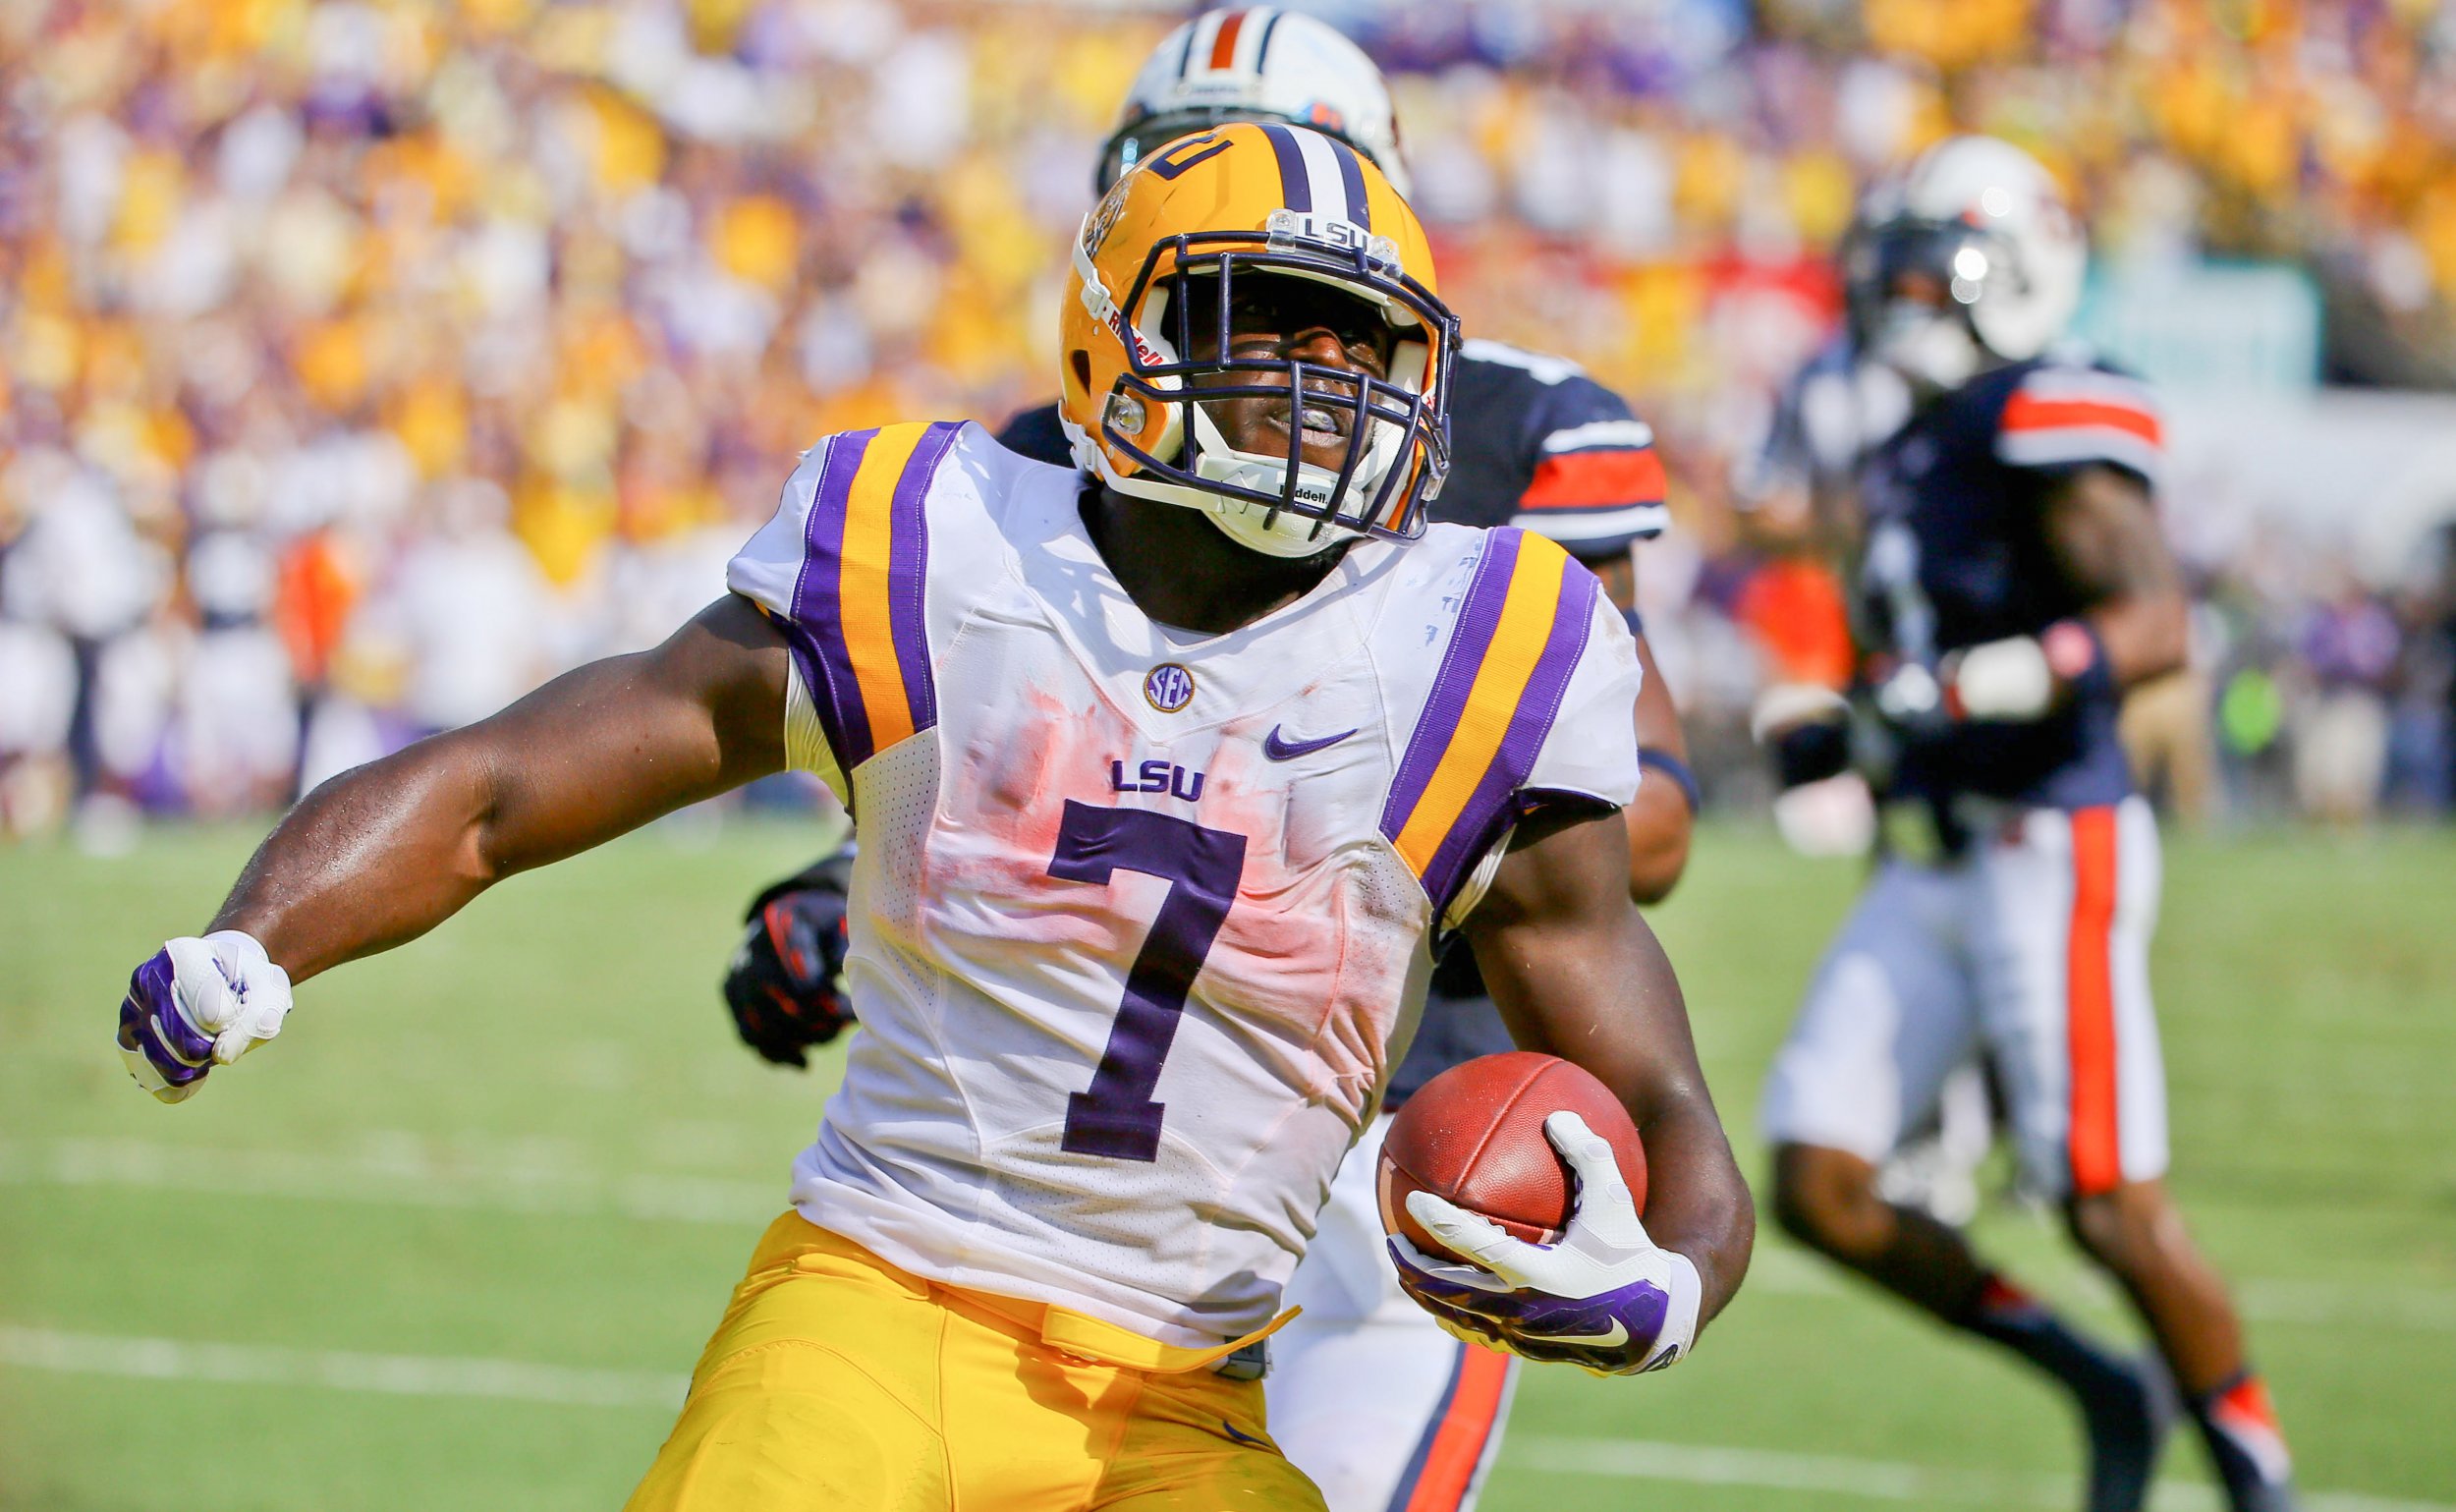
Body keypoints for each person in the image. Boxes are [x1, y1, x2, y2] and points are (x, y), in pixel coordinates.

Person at [118, 124, 1753, 1512]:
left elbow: (1658, 1089)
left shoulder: (1479, 646)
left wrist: (1666, 1276)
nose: (1328, 384)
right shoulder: (945, 549)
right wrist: (254, 944)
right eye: (1276, 322)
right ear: (1132, 327)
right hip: (877, 1302)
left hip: (1194, 1388)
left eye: (1365, 344)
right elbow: (495, 793)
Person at [719, 14, 1702, 1509]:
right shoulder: (1071, 438)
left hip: (1402, 1137)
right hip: (1054, 1179)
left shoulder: (1518, 432)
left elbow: (1655, 818)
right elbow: (1012, 761)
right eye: (1177, 168)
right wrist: (827, 877)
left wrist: (1382, 833)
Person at [1754, 137, 2300, 1512]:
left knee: (2108, 1203)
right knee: (1820, 1182)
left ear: (2012, 263)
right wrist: (1852, 723)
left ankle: (2259, 1479)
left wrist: (1980, 681)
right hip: (1931, 848)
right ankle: (2099, 1384)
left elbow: (2155, 623)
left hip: (2051, 845)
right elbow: (1924, 664)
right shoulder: (1909, 438)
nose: (1899, 288)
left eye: (1929, 262)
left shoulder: (2049, 406)